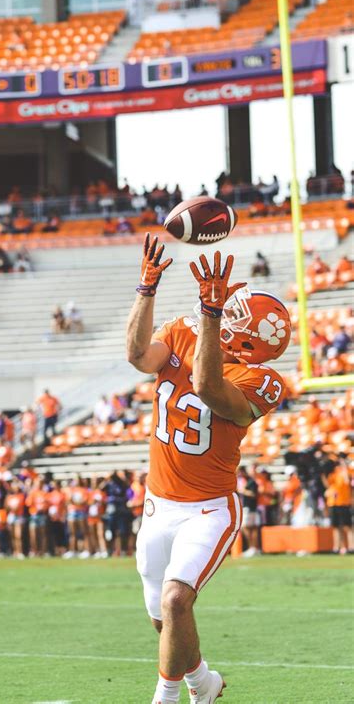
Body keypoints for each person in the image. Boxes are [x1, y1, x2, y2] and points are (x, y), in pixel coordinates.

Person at [126, 233, 291, 703]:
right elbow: (139, 357)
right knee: (165, 622)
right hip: (158, 505)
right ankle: (205, 683)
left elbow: (207, 386)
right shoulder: (183, 329)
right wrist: (146, 289)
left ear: (248, 339)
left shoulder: (263, 381)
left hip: (208, 510)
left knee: (177, 601)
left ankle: (167, 697)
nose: (223, 307)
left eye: (236, 314)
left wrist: (212, 317)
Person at [239, 465, 260, 557]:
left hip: (250, 507)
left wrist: (243, 491)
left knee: (246, 527)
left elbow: (253, 494)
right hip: (250, 507)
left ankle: (252, 547)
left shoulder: (251, 482)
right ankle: (253, 548)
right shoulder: (248, 481)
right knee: (252, 527)